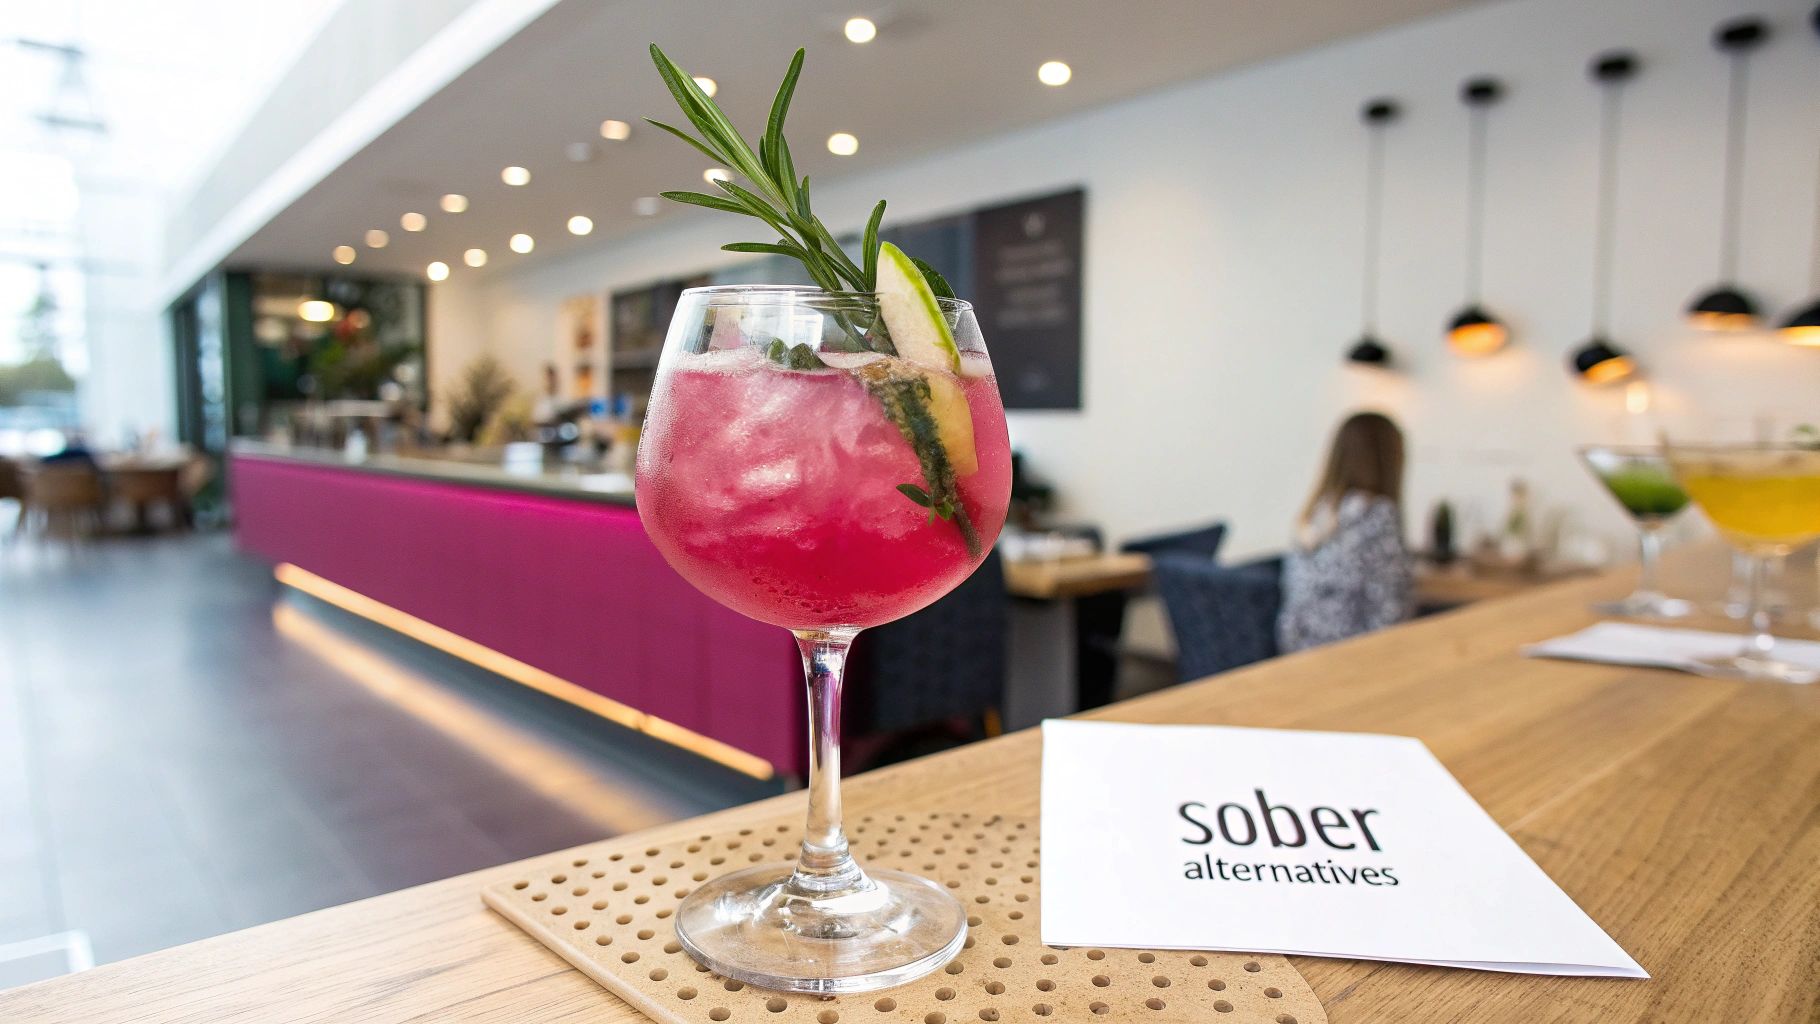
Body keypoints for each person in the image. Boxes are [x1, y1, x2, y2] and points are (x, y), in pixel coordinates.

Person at [1278, 412, 1412, 653]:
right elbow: (1391, 610)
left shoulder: (1317, 512)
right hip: (1354, 656)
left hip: (1298, 650)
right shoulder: (1378, 515)